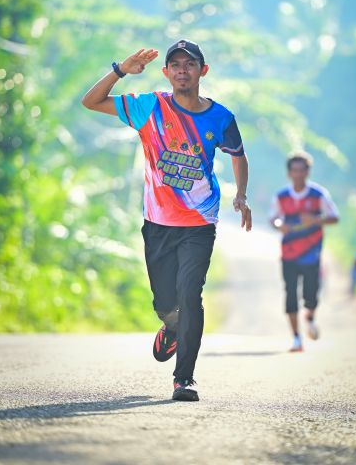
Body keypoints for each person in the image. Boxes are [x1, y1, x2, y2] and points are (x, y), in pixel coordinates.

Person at [82, 39, 252, 401]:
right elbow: (91, 101)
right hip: (158, 223)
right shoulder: (150, 107)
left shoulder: (221, 117)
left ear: (203, 71)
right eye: (175, 65)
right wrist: (120, 70)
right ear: (166, 72)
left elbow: (238, 154)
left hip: (199, 223)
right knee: (165, 303)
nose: (182, 71)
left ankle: (184, 378)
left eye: (189, 64)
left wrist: (241, 194)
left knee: (190, 295)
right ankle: (171, 326)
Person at [269, 152, 339, 352]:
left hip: (311, 254)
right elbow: (273, 218)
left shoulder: (318, 194)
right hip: (288, 253)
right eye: (295, 170)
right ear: (289, 173)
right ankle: (296, 339)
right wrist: (279, 225)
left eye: (302, 170)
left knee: (311, 295)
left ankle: (310, 316)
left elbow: (334, 217)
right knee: (290, 294)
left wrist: (316, 220)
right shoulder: (281, 196)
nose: (298, 174)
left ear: (307, 172)